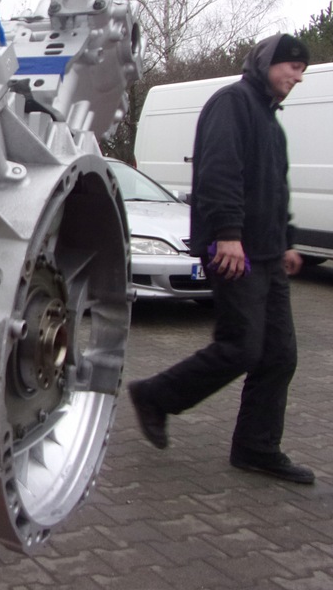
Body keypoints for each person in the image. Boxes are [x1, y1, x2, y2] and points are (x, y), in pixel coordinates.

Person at [127, 32, 314, 484]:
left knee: (279, 355)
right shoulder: (233, 103)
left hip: (268, 255)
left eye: (303, 71)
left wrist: (286, 241)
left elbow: (276, 189)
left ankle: (256, 448)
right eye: (293, 67)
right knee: (241, 347)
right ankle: (155, 395)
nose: (298, 77)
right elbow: (218, 173)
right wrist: (228, 234)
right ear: (268, 61)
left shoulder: (270, 120)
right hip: (235, 253)